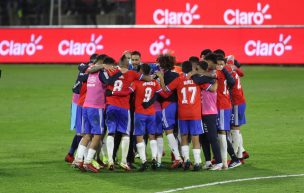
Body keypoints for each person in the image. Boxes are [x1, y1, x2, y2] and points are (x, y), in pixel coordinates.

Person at [104, 55, 154, 171]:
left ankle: (110, 160)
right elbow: (147, 79)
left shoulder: (112, 71)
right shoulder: (132, 73)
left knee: (111, 133)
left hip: (110, 105)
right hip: (124, 107)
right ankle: (123, 161)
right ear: (128, 64)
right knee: (125, 134)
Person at [73, 56, 121, 173]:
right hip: (96, 108)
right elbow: (108, 81)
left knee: (87, 135)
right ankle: (88, 162)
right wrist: (118, 74)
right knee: (98, 135)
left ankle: (79, 160)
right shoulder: (101, 72)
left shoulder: (90, 72)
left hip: (86, 106)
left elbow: (85, 71)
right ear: (105, 64)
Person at [158, 61, 208, 171]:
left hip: (183, 113)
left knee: (184, 136)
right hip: (195, 113)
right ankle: (197, 162)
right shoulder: (197, 79)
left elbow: (166, 90)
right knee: (195, 137)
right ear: (192, 68)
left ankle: (186, 160)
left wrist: (161, 78)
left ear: (182, 69)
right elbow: (210, 86)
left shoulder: (179, 79)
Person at [65, 54, 98, 164]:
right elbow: (76, 89)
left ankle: (72, 154)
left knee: (83, 131)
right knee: (81, 131)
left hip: (83, 103)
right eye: (92, 62)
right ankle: (79, 157)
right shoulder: (88, 71)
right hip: (79, 103)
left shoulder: (87, 70)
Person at [155, 54, 183, 168]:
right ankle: (176, 157)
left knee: (168, 131)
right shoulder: (176, 74)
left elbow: (165, 93)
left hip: (167, 106)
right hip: (177, 105)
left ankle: (177, 158)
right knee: (174, 132)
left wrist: (158, 81)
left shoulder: (163, 76)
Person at [227, 56, 249, 161]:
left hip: (236, 103)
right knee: (235, 128)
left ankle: (235, 156)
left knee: (234, 129)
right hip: (240, 102)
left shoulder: (230, 73)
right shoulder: (234, 72)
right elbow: (242, 73)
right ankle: (241, 153)